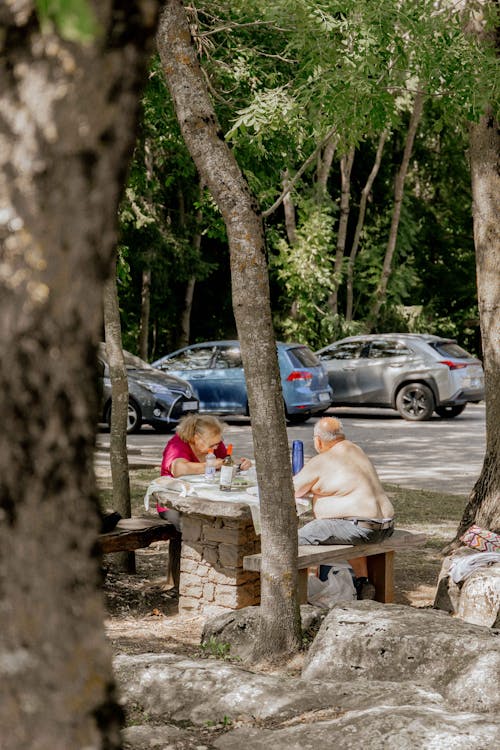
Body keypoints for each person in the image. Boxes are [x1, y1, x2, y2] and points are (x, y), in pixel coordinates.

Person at [293, 416, 394, 599]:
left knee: (293, 541)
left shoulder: (324, 459)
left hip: (359, 527)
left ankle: (297, 594)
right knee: (338, 528)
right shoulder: (355, 450)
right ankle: (362, 582)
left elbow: (293, 489)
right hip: (385, 526)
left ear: (317, 440)